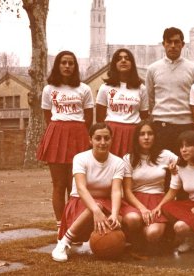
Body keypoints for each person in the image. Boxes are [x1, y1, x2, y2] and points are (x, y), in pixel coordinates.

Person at [37, 50, 94, 234]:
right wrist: (59, 131)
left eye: (71, 63)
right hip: (57, 134)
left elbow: (89, 117)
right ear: (58, 65)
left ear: (75, 67)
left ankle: (73, 226)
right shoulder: (49, 89)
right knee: (58, 184)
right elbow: (48, 115)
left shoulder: (84, 89)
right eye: (63, 63)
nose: (67, 66)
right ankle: (60, 226)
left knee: (75, 185)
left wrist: (80, 134)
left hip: (78, 134)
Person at [51, 123, 125, 262]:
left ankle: (113, 245)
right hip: (80, 201)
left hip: (105, 202)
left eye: (106, 138)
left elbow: (116, 191)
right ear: (90, 140)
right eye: (98, 138)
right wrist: (96, 210)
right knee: (97, 206)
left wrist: (114, 215)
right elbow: (81, 188)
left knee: (120, 220)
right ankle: (63, 243)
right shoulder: (80, 158)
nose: (103, 142)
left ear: (111, 139)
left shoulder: (118, 162)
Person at [121, 120, 178, 254]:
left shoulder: (166, 155)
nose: (146, 137)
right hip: (135, 200)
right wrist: (142, 209)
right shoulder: (129, 158)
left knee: (153, 234)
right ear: (137, 138)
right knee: (132, 219)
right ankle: (134, 240)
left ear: (155, 136)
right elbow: (127, 191)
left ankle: (146, 239)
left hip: (158, 200)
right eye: (142, 134)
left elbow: (188, 160)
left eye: (150, 134)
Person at [146, 27, 194, 154]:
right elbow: (150, 98)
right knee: (162, 166)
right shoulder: (153, 69)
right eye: (169, 42)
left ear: (182, 45)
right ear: (163, 44)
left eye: (177, 42)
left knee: (185, 164)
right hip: (161, 126)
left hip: (186, 126)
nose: (173, 46)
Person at [96, 48, 148, 157]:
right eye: (119, 59)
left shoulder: (141, 88)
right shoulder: (105, 88)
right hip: (112, 132)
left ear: (132, 64)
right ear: (114, 64)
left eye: (127, 58)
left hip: (133, 132)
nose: (123, 61)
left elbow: (144, 116)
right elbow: (99, 118)